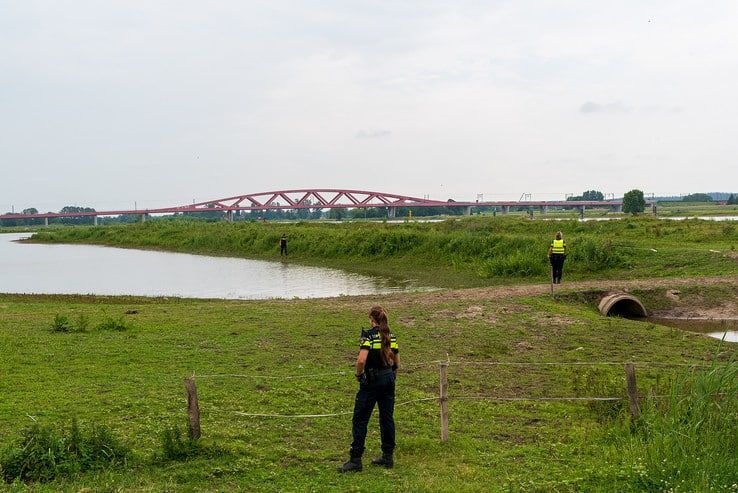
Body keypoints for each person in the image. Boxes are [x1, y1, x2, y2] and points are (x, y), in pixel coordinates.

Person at [338, 306, 400, 473]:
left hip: (372, 381)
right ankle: (388, 456)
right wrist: (393, 374)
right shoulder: (390, 335)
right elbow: (397, 359)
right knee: (387, 418)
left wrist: (359, 375)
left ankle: (356, 459)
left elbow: (361, 360)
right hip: (388, 379)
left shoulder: (368, 336)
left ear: (372, 320)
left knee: (360, 419)